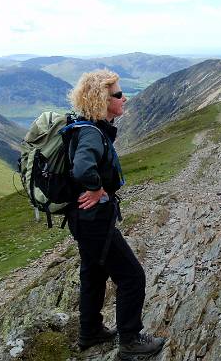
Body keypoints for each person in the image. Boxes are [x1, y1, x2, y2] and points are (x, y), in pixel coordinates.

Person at [67, 69, 165, 359]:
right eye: (119, 94)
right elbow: (83, 168)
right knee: (132, 276)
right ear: (102, 100)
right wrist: (97, 189)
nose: (125, 98)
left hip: (81, 219)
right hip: (94, 219)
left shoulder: (86, 127)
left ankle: (90, 331)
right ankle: (130, 341)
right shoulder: (91, 134)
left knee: (93, 273)